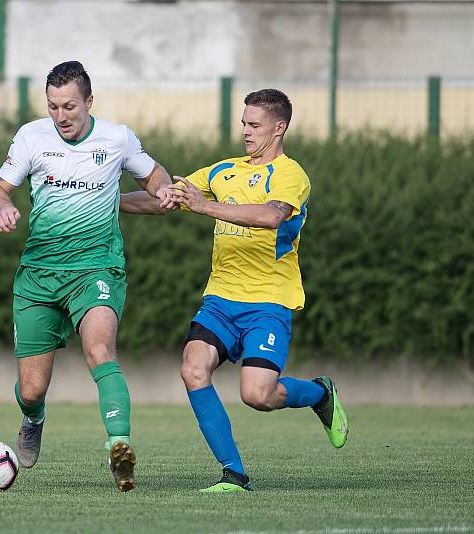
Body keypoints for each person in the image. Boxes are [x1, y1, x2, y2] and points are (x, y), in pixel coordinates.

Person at [120, 88, 348, 492]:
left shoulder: (292, 175)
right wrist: (105, 200)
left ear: (279, 128)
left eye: (254, 125)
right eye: (243, 122)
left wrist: (205, 207)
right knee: (192, 368)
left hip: (268, 303)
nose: (245, 131)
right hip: (221, 300)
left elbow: (271, 216)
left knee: (258, 395)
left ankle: (318, 394)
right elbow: (165, 199)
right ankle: (234, 473)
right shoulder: (223, 171)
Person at [0, 60, 175, 492]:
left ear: (89, 101)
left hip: (96, 269)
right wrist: (3, 207)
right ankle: (33, 419)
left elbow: (154, 173)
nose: (61, 115)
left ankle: (119, 447)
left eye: (69, 105)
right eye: (53, 106)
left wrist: (162, 188)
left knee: (101, 349)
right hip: (39, 276)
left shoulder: (117, 138)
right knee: (31, 389)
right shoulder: (32, 136)